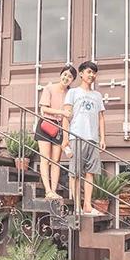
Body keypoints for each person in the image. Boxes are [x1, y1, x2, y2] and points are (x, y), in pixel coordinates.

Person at [62, 61, 106, 215]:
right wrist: (65, 138)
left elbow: (101, 118)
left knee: (90, 172)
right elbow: (66, 116)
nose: (92, 75)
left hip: (93, 138)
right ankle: (76, 206)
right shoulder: (73, 92)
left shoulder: (97, 95)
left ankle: (87, 205)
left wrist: (102, 138)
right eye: (89, 72)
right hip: (76, 137)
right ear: (81, 74)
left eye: (94, 73)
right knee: (75, 173)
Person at [35, 65, 78, 199]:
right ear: (61, 75)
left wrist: (66, 133)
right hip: (46, 125)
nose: (66, 78)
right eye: (65, 74)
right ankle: (47, 190)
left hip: (60, 127)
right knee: (45, 158)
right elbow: (44, 109)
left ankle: (53, 191)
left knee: (56, 161)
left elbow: (70, 114)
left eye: (70, 76)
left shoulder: (71, 93)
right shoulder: (49, 88)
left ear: (73, 80)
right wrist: (62, 112)